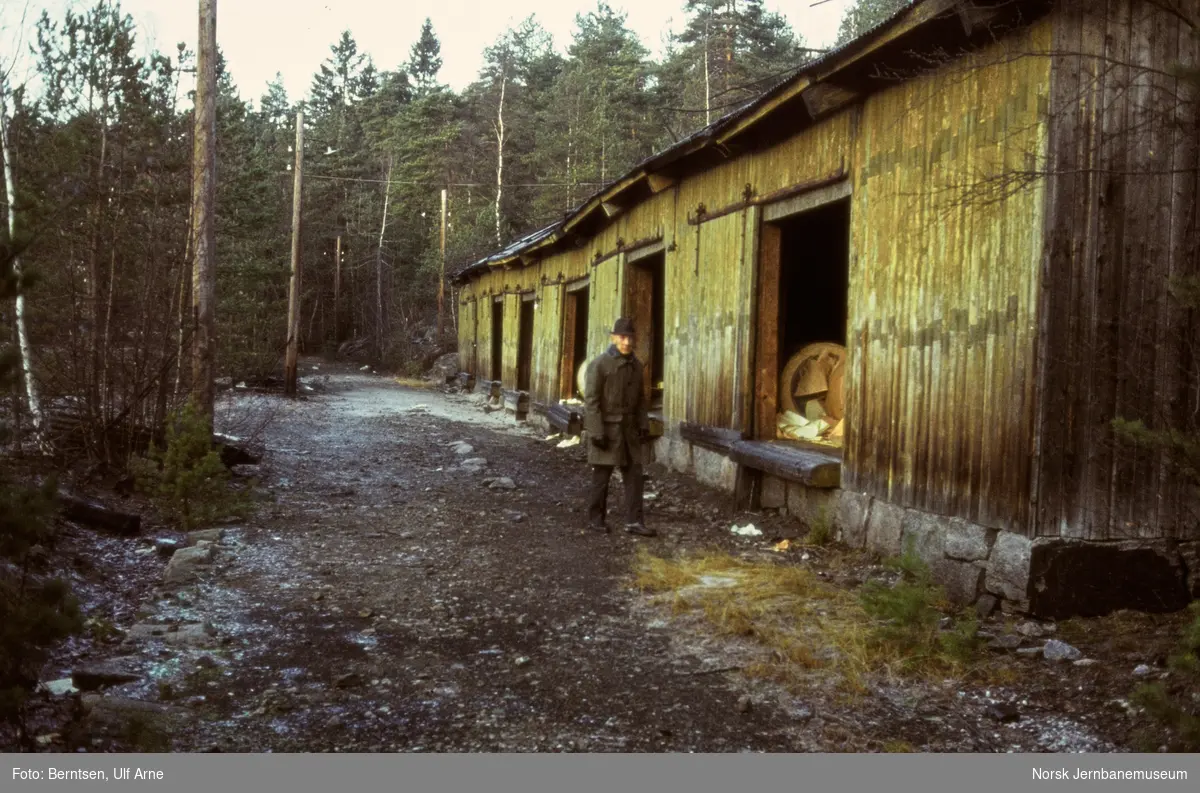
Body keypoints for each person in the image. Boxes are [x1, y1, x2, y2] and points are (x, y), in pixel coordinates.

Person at [583, 317, 655, 537]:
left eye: (630, 338)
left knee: (635, 475)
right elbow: (592, 401)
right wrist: (596, 431)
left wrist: (643, 425)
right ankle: (596, 520)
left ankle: (634, 521)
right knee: (601, 477)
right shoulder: (599, 365)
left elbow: (641, 400)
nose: (627, 342)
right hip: (607, 430)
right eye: (622, 337)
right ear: (613, 338)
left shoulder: (636, 366)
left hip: (630, 431)